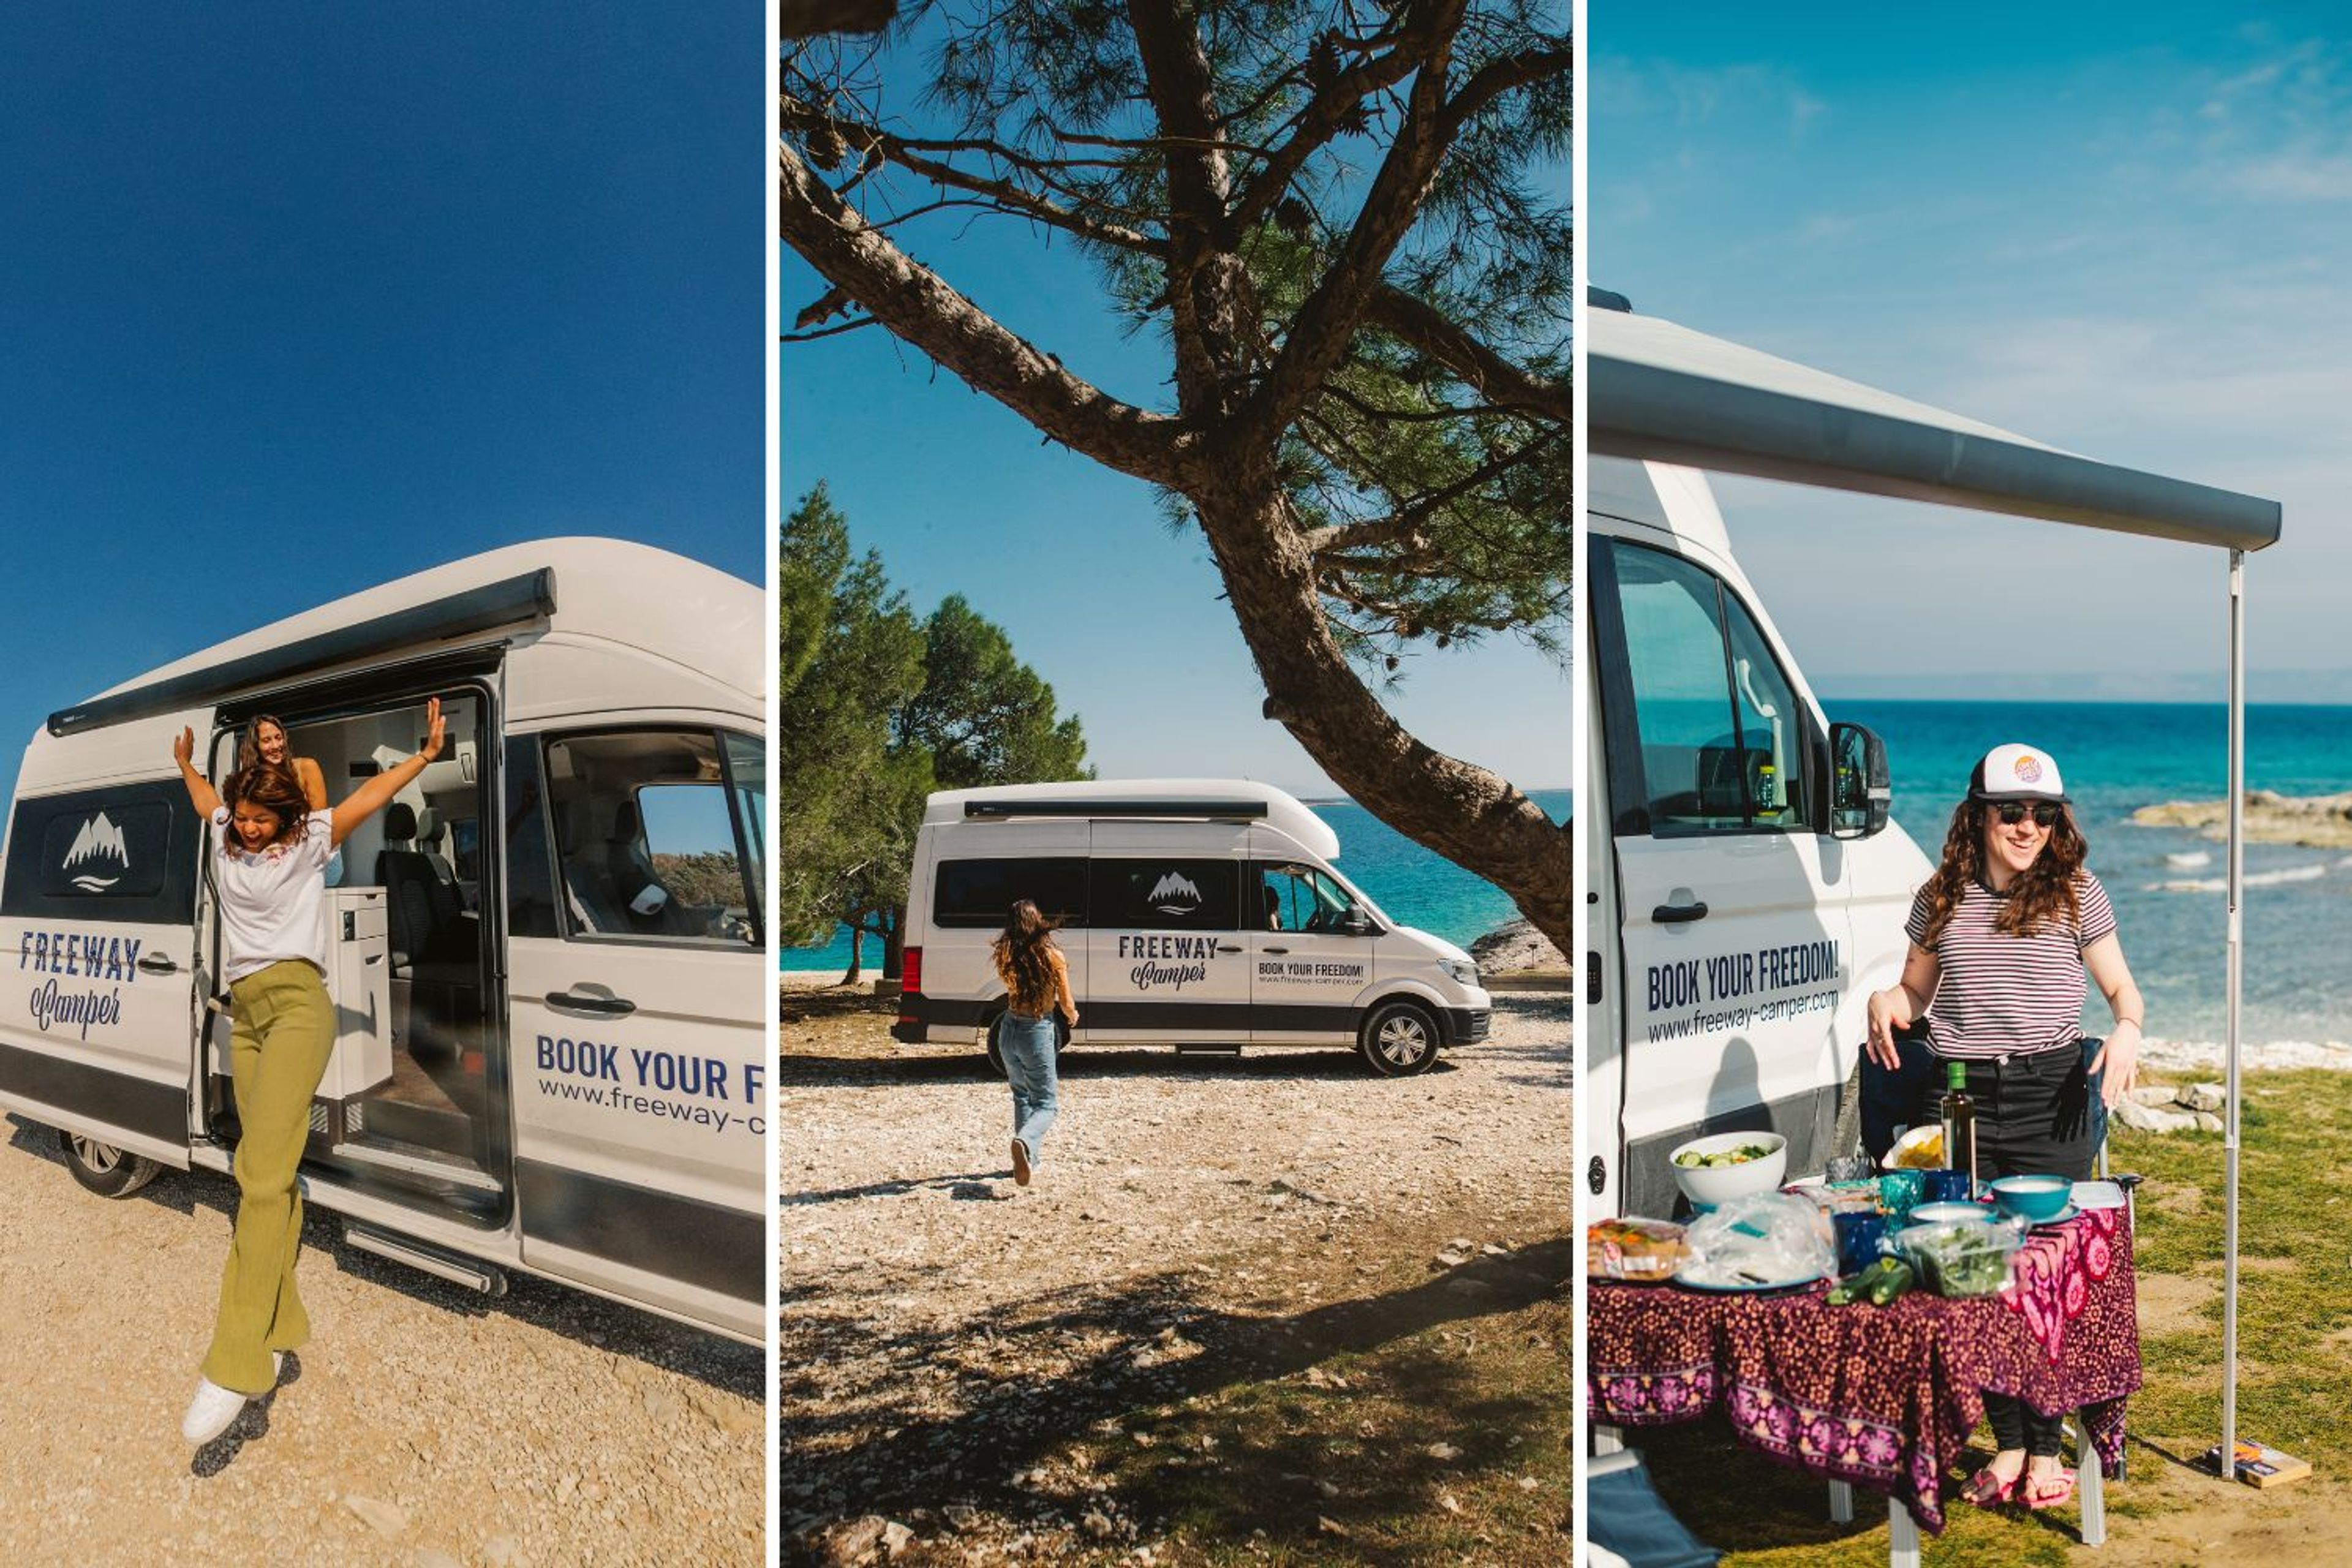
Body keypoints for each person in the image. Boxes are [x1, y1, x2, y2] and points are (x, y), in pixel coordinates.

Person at [1864, 742, 2144, 1512]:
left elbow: (2122, 988)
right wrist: (1888, 1000)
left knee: (2044, 1274)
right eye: (2011, 811)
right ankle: (2010, 1439)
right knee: (1971, 1272)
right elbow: (1917, 992)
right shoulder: (1940, 894)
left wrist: (2126, 1030)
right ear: (1977, 813)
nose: (2027, 826)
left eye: (2043, 813)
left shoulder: (2078, 893)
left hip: (2051, 1094)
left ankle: (2048, 1445)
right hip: (1956, 1098)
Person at [172, 696, 447, 1444]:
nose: (254, 827)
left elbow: (365, 797)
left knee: (260, 1175)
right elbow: (204, 798)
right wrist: (187, 764)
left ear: (287, 813)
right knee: (263, 1166)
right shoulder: (227, 830)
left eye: (266, 817)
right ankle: (285, 1320)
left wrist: (422, 757)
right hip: (246, 1012)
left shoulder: (309, 836)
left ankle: (236, 1362)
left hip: (298, 1005)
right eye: (247, 816)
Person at [990, 899, 1077, 1188]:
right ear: (1036, 920)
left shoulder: (1007, 953)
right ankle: (1025, 1140)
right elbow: (1065, 1001)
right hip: (1035, 1030)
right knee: (1047, 1104)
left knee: (1021, 1094)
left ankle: (1029, 1158)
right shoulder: (1053, 955)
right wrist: (1073, 1015)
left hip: (1008, 1028)